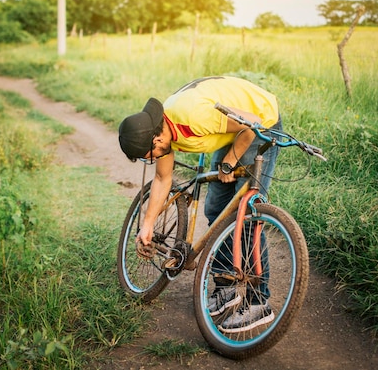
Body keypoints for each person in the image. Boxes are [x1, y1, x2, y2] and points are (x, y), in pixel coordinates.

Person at [118, 76, 282, 333]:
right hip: (232, 128)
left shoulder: (192, 117)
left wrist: (229, 161)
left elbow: (251, 125)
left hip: (260, 123)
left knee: (246, 215)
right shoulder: (163, 131)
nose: (149, 160)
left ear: (156, 141)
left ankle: (257, 302)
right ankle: (227, 285)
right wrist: (147, 225)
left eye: (146, 156)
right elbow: (163, 178)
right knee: (216, 209)